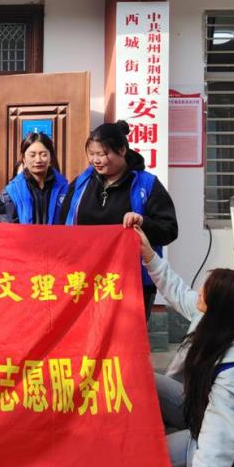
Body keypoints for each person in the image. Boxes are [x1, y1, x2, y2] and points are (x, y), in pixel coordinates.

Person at [138, 230, 234, 467]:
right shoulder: (225, 319)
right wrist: (149, 254)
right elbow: (177, 292)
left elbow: (218, 444)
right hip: (201, 411)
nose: (198, 293)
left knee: (145, 455)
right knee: (143, 378)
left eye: (204, 293)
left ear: (219, 307)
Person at [56, 120, 178, 320]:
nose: (96, 160)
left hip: (132, 282)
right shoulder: (81, 184)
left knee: (126, 338)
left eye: (102, 154)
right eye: (92, 154)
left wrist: (142, 222)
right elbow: (62, 227)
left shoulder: (147, 184)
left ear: (122, 150)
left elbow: (169, 229)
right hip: (85, 280)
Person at [0, 132, 70, 226]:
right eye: (32, 155)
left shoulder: (66, 190)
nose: (38, 160)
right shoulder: (10, 193)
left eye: (43, 154)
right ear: (24, 159)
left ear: (51, 157)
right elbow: (2, 228)